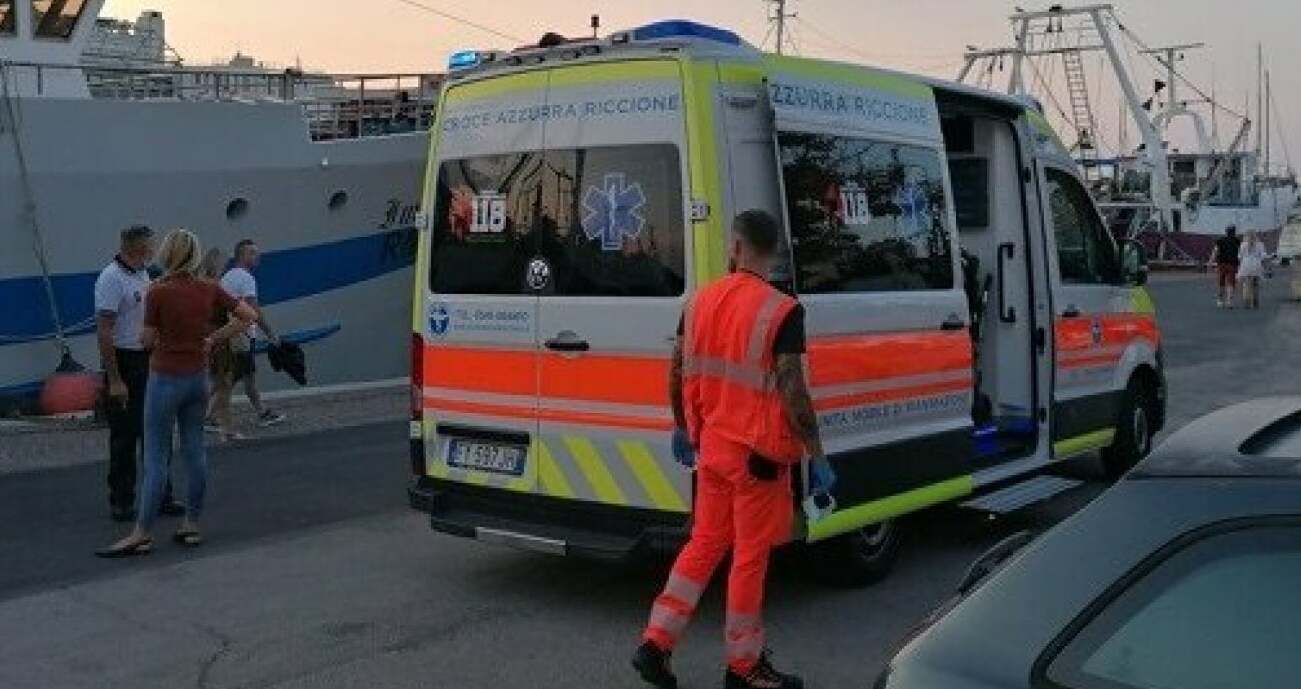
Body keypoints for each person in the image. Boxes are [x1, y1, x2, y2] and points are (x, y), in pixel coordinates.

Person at [632, 210, 834, 689]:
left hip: (713, 451)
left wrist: (684, 426)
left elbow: (677, 370)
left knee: (703, 544)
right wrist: (818, 454)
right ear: (773, 253)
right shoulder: (782, 309)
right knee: (748, 557)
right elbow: (792, 389)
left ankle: (655, 643)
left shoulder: (700, 302)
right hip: (758, 457)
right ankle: (744, 667)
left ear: (736, 246)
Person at [96, 229, 257, 558]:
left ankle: (141, 532)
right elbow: (248, 316)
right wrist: (214, 339)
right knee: (195, 451)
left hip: (165, 378)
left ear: (169, 254)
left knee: (155, 456)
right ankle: (191, 524)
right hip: (197, 378)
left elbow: (146, 340)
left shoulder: (159, 291)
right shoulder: (209, 288)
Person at [94, 225, 183, 522]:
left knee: (157, 430)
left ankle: (161, 494)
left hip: (148, 358)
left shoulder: (142, 275)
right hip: (125, 360)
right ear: (136, 248)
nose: (153, 251)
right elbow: (105, 330)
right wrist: (116, 379)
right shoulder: (111, 278)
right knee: (125, 435)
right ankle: (121, 500)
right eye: (149, 247)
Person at [220, 239, 286, 428]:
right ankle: (260, 413)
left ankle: (261, 411)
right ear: (243, 255)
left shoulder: (227, 277)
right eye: (253, 253)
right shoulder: (246, 278)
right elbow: (253, 309)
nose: (258, 256)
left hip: (232, 333)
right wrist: (270, 333)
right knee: (240, 375)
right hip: (242, 334)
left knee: (241, 375)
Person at [199, 248, 244, 442]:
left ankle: (221, 426)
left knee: (218, 384)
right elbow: (243, 314)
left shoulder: (200, 287)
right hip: (219, 340)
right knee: (224, 385)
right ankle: (226, 429)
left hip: (207, 337)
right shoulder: (216, 288)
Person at [1208, 225, 1241, 308]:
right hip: (1233, 264)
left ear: (1226, 231)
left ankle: (1220, 301)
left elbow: (1215, 251)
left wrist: (1211, 262)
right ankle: (1229, 301)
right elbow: (1240, 254)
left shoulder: (1220, 240)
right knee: (1231, 283)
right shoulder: (1237, 241)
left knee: (1221, 283)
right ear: (1234, 232)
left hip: (1221, 263)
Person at [1237, 230, 1268, 309]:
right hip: (1256, 264)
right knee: (1256, 284)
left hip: (1246, 264)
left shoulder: (1243, 244)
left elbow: (1239, 256)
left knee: (1247, 284)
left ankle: (1247, 302)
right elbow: (1263, 255)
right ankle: (1255, 301)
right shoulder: (1260, 244)